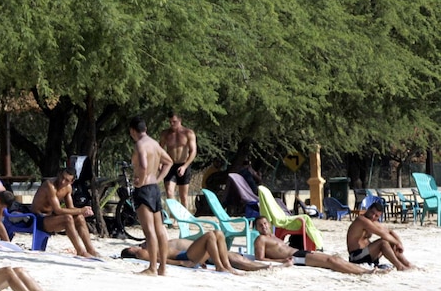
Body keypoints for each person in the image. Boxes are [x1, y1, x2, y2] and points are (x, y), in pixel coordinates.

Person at [254, 216, 381, 274]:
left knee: (334, 259)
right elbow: (259, 258)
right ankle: (366, 272)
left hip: (299, 253)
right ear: (256, 228)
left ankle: (364, 270)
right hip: (296, 257)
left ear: (269, 224)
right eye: (260, 225)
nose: (264, 226)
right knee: (331, 261)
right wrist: (281, 260)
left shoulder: (273, 236)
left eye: (265, 223)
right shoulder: (260, 239)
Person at [130, 116, 173, 276]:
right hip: (155, 187)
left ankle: (152, 267)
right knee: (160, 229)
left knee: (149, 231)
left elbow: (143, 165)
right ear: (145, 129)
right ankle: (162, 268)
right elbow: (169, 161)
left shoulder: (140, 145)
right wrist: (158, 178)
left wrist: (140, 181)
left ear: (132, 131)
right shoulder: (155, 144)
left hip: (144, 190)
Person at [121, 231, 270, 273]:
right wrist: (180, 262)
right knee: (211, 235)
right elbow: (159, 260)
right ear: (131, 251)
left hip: (188, 256)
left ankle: (224, 265)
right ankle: (220, 266)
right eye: (132, 248)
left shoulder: (145, 249)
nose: (136, 246)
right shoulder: (141, 253)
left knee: (218, 234)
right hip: (185, 257)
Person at [29, 167, 99, 257]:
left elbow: (71, 208)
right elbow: (58, 210)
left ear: (71, 182)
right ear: (59, 175)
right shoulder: (50, 185)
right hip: (37, 219)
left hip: (50, 217)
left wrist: (84, 212)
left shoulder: (68, 188)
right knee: (67, 218)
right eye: (62, 177)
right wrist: (81, 210)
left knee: (80, 218)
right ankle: (80, 251)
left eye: (66, 180)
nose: (62, 182)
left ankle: (90, 250)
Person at [346, 202, 413, 270]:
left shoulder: (372, 221)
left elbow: (389, 232)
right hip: (356, 256)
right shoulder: (361, 220)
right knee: (383, 243)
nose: (373, 216)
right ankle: (399, 266)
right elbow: (383, 234)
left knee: (390, 241)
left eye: (376, 216)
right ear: (368, 209)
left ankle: (407, 264)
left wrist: (399, 242)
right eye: (372, 212)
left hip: (367, 256)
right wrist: (397, 243)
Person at [159, 110, 197, 208]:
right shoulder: (165, 134)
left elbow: (193, 151)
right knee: (169, 192)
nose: (172, 124)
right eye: (170, 122)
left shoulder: (188, 133)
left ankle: (185, 219)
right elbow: (160, 149)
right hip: (170, 165)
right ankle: (175, 217)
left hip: (183, 164)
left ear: (180, 120)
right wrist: (160, 161)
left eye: (174, 122)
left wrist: (185, 166)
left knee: (183, 196)